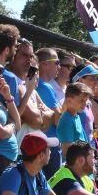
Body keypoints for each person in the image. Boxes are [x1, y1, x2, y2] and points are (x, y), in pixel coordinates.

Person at [35, 47, 64, 177]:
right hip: (49, 147)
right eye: (57, 62)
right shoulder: (45, 87)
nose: (60, 66)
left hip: (38, 145)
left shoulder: (34, 85)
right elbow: (59, 120)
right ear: (44, 64)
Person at [56, 83, 93, 155]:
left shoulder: (76, 117)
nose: (85, 104)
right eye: (81, 100)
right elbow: (66, 150)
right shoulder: (67, 120)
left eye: (86, 101)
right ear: (69, 101)